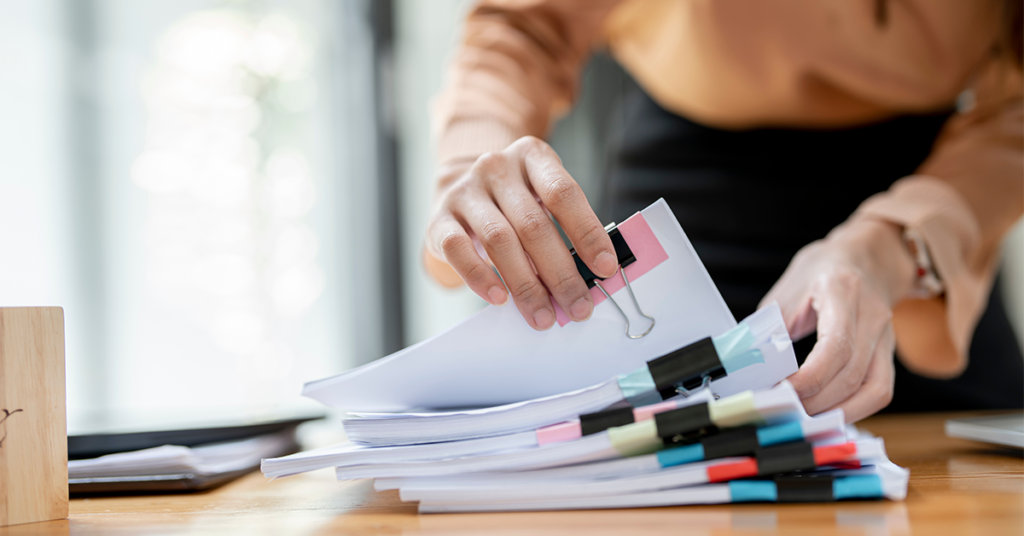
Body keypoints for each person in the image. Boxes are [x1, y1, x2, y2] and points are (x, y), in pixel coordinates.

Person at [421, 0, 1024, 422]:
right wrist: (473, 163)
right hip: (682, 198)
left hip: (931, 207)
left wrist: (897, 248)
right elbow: (525, 26)